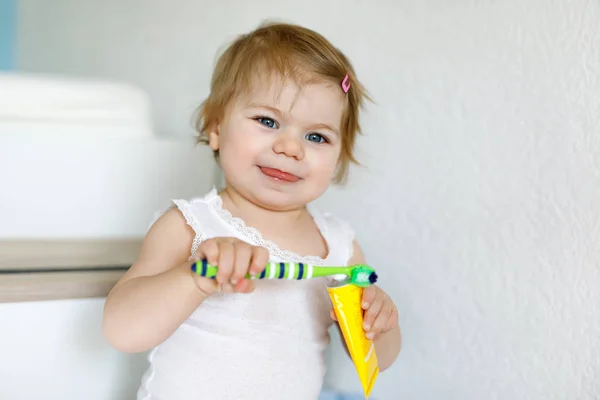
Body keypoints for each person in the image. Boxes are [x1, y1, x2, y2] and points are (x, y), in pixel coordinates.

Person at [102, 21, 401, 400]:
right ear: (215, 126)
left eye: (316, 137)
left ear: (339, 155)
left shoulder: (339, 247)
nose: (291, 147)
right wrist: (194, 279)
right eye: (267, 121)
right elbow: (121, 331)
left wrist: (380, 321)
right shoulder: (190, 226)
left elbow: (380, 359)